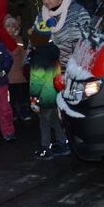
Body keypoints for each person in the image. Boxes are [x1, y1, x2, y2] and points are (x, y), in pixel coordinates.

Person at [28, 18, 70, 160]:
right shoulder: (53, 53)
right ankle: (63, 143)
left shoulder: (38, 57)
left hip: (43, 95)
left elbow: (36, 81)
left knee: (44, 122)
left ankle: (46, 148)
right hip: (55, 93)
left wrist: (34, 98)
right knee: (54, 119)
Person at [39, 0, 90, 71]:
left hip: (72, 70)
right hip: (47, 71)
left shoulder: (78, 13)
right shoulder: (41, 16)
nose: (45, 1)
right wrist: (28, 62)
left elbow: (87, 41)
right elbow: (35, 41)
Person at [4, 15, 30, 121]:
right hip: (9, 75)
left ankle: (24, 112)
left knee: (22, 95)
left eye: (13, 26)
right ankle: (13, 113)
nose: (11, 28)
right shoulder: (2, 41)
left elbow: (24, 53)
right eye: (8, 26)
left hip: (20, 73)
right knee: (12, 97)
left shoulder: (20, 40)